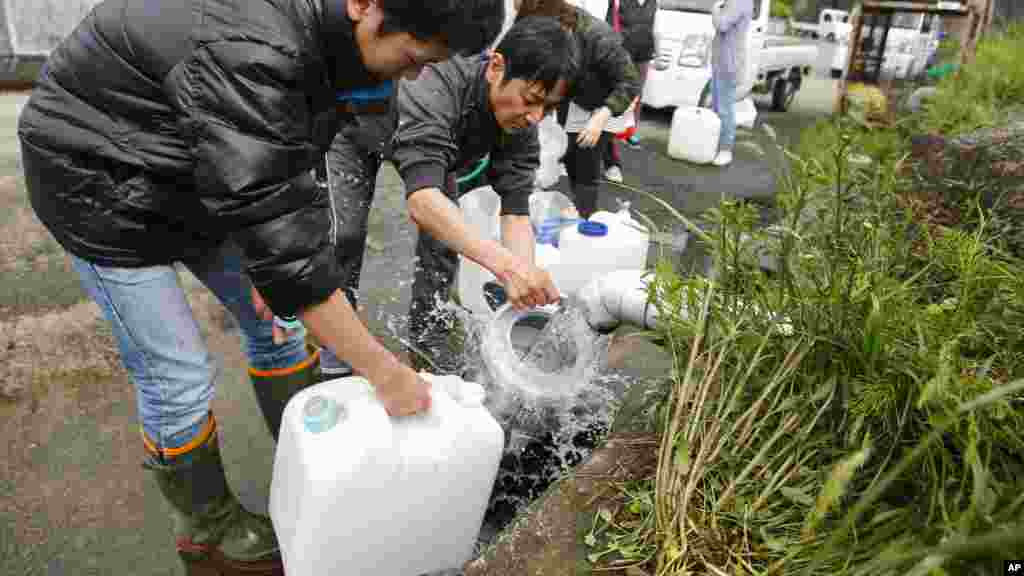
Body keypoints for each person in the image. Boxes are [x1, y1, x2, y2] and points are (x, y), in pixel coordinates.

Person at [16, 0, 504, 572]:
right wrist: (383, 370)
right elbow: (283, 239)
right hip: (97, 183)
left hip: (191, 173)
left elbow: (284, 175)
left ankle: (299, 450)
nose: (417, 75)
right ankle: (209, 532)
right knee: (178, 375)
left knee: (281, 326)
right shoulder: (253, 47)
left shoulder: (333, 43)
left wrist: (279, 268)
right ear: (364, 5)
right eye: (416, 57)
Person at [318, 15, 574, 377]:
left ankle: (428, 344)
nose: (536, 117)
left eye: (547, 107)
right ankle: (336, 349)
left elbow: (515, 212)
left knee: (443, 249)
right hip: (360, 133)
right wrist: (506, 266)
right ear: (496, 67)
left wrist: (525, 284)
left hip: (437, 155)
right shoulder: (437, 81)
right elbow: (422, 200)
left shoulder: (522, 121)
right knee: (343, 236)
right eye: (532, 100)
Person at [518, 0, 641, 220]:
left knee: (585, 166)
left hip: (608, 100)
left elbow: (630, 82)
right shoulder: (549, 28)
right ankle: (569, 215)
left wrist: (601, 116)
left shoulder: (598, 35)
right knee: (564, 155)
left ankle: (584, 220)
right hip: (576, 95)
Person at [601, 0, 657, 183]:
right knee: (614, 105)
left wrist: (658, 51)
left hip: (643, 55)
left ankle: (628, 133)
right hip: (620, 56)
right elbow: (607, 26)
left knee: (633, 103)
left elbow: (653, 26)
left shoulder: (652, 1)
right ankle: (612, 163)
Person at [710, 0, 754, 167]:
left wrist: (715, 9)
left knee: (724, 109)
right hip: (721, 61)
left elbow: (722, 25)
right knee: (717, 107)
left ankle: (725, 150)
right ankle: (715, 145)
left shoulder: (739, 1)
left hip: (729, 64)